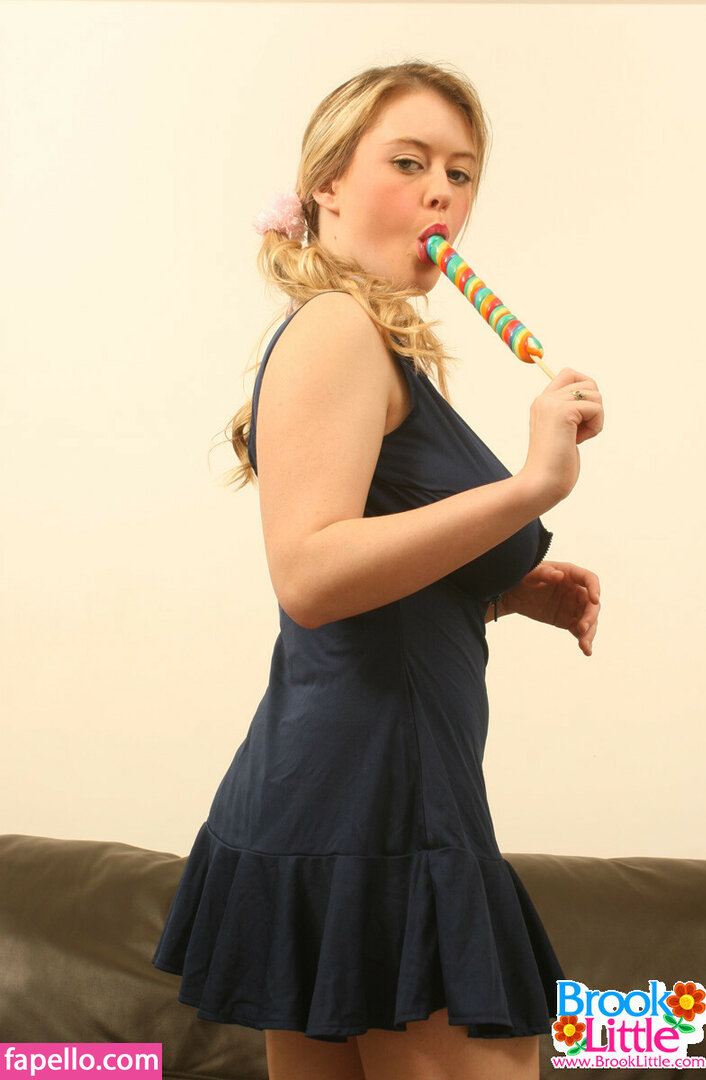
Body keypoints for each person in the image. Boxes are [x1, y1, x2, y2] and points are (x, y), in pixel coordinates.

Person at [152, 60, 603, 1080]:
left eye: (461, 172)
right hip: (380, 801)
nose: (442, 191)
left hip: (345, 792)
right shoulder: (338, 327)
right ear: (328, 183)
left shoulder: (371, 341)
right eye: (408, 162)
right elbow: (311, 573)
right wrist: (529, 488)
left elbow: (373, 564)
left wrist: (501, 587)